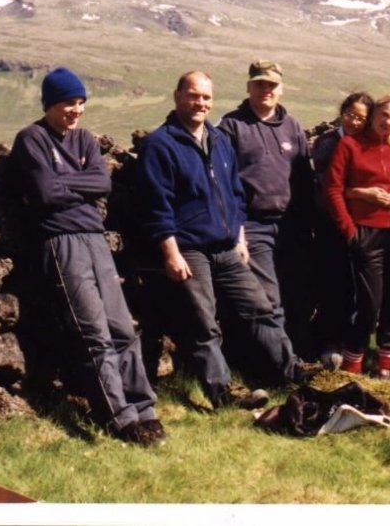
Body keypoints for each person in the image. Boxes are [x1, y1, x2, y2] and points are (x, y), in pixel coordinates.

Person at [135, 71, 310, 410]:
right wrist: (171, 253)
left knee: (260, 308)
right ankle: (223, 393)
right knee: (203, 322)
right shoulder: (160, 145)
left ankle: (290, 371)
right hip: (189, 249)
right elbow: (157, 205)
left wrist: (239, 237)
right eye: (193, 95)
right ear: (177, 96)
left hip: (227, 247)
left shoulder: (218, 139)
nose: (200, 103)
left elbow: (234, 193)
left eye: (206, 97)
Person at [11, 67, 164, 446]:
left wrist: (62, 182)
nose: (76, 110)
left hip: (94, 239)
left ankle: (144, 409)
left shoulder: (85, 140)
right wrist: (74, 186)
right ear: (50, 103)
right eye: (69, 102)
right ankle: (119, 418)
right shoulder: (31, 138)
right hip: (60, 242)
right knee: (92, 332)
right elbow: (43, 193)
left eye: (81, 102)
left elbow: (102, 181)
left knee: (122, 328)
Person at [218, 60, 316, 358]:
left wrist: (307, 225)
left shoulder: (292, 126)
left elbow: (304, 179)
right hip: (253, 225)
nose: (266, 90)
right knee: (268, 298)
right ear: (249, 87)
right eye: (259, 84)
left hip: (290, 226)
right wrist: (237, 230)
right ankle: (282, 366)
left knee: (297, 293)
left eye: (271, 85)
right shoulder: (231, 126)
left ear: (281, 88)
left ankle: (301, 356)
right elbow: (223, 182)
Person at [324, 92, 390, 379]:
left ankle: (386, 366)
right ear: (375, 113)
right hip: (366, 232)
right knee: (369, 304)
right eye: (384, 114)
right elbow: (333, 189)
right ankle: (353, 363)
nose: (387, 121)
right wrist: (350, 230)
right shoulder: (350, 145)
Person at [310, 91, 374, 369]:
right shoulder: (327, 143)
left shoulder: (368, 144)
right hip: (329, 224)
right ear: (342, 112)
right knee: (332, 284)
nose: (354, 122)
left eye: (361, 118)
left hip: (362, 224)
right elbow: (328, 186)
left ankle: (351, 343)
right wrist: (357, 192)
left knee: (356, 286)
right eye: (350, 115)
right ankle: (329, 342)